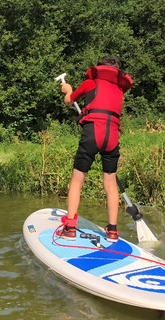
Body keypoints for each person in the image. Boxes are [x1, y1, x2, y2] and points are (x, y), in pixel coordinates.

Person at [57, 56, 134, 243]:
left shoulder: (90, 83)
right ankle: (113, 231)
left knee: (77, 180)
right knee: (110, 182)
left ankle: (69, 228)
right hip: (112, 137)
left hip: (92, 133)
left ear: (99, 68)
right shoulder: (119, 89)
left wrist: (68, 90)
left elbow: (69, 100)